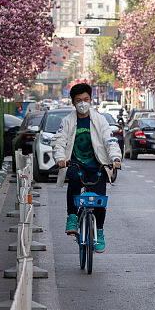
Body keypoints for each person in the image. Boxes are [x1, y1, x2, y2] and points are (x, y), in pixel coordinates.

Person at [54, 83, 122, 253]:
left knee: (99, 202)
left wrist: (115, 158)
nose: (82, 103)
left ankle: (99, 232)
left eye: (85, 99)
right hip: (76, 165)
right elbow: (59, 142)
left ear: (91, 100)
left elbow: (110, 140)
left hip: (97, 166)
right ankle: (72, 216)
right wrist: (61, 158)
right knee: (74, 181)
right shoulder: (68, 121)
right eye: (78, 100)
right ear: (73, 103)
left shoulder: (99, 120)